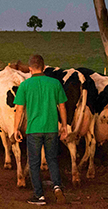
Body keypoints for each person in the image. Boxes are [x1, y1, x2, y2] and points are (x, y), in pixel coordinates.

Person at [13, 54, 68, 205]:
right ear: (44, 67)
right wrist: (64, 126)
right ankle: (57, 186)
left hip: (33, 129)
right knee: (52, 160)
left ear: (30, 69)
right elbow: (62, 106)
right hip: (51, 129)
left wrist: (16, 128)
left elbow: (19, 109)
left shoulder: (25, 85)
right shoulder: (55, 83)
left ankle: (39, 196)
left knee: (34, 162)